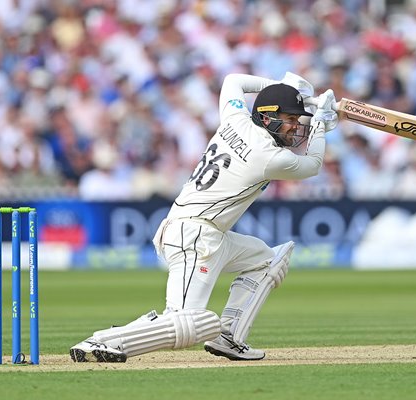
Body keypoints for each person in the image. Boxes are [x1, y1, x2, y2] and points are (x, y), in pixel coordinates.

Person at [69, 72, 338, 362]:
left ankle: (229, 338)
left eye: (299, 121)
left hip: (206, 234)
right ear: (267, 116)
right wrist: (319, 124)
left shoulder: (234, 120)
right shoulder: (269, 156)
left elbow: (234, 80)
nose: (297, 127)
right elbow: (312, 165)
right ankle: (103, 341)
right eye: (292, 119)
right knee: (194, 323)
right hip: (195, 236)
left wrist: (283, 91)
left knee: (268, 259)